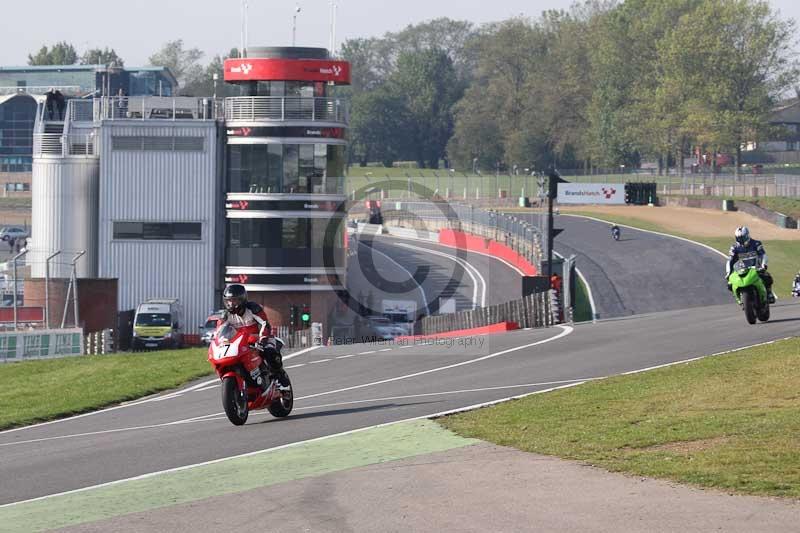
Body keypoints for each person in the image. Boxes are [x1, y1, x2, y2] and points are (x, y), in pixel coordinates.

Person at [220, 284, 289, 390]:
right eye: (229, 301)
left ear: (242, 299)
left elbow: (265, 324)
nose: (231, 304)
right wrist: (222, 341)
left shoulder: (253, 308)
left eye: (234, 300)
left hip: (261, 338)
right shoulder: (225, 315)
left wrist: (262, 339)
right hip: (240, 343)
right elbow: (220, 330)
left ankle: (281, 377)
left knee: (270, 352)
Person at [726, 226, 775, 303]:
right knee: (729, 284)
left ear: (747, 235)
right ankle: (739, 296)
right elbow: (730, 260)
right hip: (741, 269)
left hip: (756, 267)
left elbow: (763, 255)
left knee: (767, 277)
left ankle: (769, 293)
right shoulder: (734, 247)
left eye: (743, 238)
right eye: (739, 239)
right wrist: (728, 272)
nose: (741, 241)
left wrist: (763, 265)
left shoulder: (756, 243)